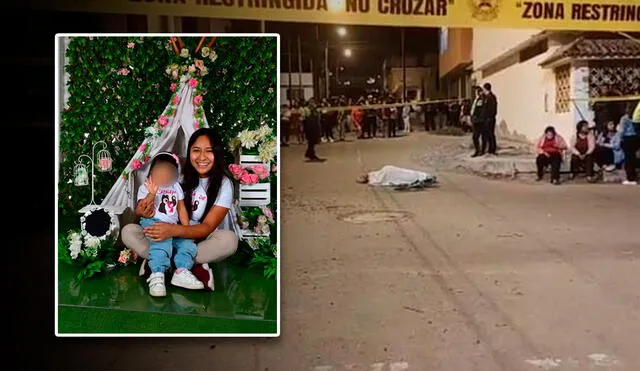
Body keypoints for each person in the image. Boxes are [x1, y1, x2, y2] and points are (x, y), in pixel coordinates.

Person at [122, 129, 239, 292]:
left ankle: (161, 262)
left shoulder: (223, 184)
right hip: (161, 233)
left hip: (194, 237)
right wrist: (143, 211)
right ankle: (179, 264)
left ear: (217, 154)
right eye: (196, 150)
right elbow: (143, 209)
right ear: (189, 152)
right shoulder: (176, 173)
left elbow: (207, 227)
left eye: (209, 151)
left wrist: (174, 230)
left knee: (229, 241)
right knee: (128, 231)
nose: (202, 157)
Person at [135, 152, 203, 297]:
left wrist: (186, 230)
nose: (165, 176)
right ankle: (157, 274)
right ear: (151, 172)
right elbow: (141, 208)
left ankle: (181, 271)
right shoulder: (146, 186)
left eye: (169, 172)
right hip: (153, 223)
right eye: (160, 171)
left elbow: (181, 208)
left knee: (188, 245)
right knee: (162, 243)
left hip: (172, 227)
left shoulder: (176, 187)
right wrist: (152, 194)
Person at [620, 103, 639, 185]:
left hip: (627, 139)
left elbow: (622, 131)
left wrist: (620, 139)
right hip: (636, 138)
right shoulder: (637, 118)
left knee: (628, 159)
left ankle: (631, 178)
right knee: (633, 158)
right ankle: (634, 176)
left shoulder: (624, 118)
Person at [481, 82, 498, 155]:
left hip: (489, 119)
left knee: (490, 134)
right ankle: (490, 149)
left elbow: (492, 109)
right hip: (487, 118)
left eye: (483, 89)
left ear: (485, 88)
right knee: (488, 134)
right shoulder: (486, 97)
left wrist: (489, 117)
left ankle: (492, 149)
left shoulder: (491, 97)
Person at [470, 87, 485, 157]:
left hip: (479, 120)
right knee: (475, 137)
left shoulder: (481, 99)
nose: (477, 92)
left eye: (478, 91)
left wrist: (478, 118)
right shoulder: (476, 99)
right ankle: (478, 150)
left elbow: (481, 110)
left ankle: (479, 151)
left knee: (476, 136)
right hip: (475, 120)